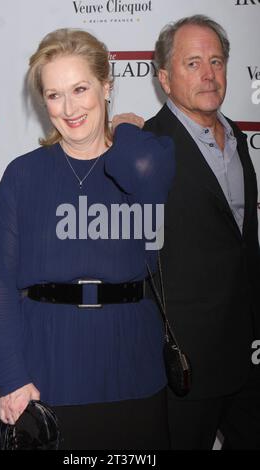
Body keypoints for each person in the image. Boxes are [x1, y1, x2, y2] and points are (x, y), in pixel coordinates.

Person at [0, 28, 175, 450]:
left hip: (133, 366)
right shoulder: (24, 175)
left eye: (80, 88)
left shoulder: (138, 160)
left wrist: (122, 128)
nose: (69, 108)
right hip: (49, 370)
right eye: (54, 95)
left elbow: (150, 166)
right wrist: (11, 380)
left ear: (106, 85)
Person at [113, 15, 260, 450]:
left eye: (216, 61)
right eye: (192, 63)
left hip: (247, 359)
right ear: (164, 78)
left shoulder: (236, 138)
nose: (209, 74)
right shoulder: (146, 147)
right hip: (184, 368)